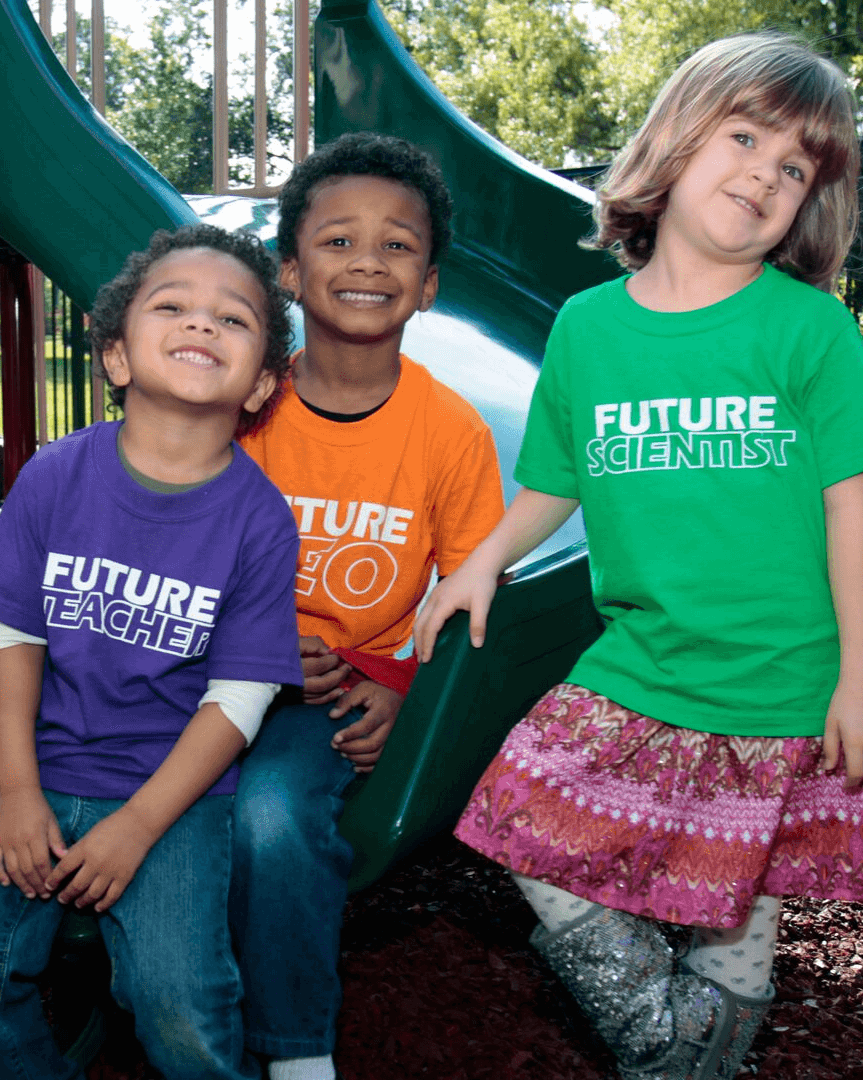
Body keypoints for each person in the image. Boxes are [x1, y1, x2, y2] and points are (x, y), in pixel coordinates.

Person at [416, 32, 863, 1080]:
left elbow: (850, 513)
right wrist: (481, 561)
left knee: (736, 911)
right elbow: (555, 481)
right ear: (677, 143)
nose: (766, 175)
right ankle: (667, 1040)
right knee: (516, 816)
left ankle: (689, 1063)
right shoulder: (591, 329)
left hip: (780, 685)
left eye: (795, 169)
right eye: (745, 137)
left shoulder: (807, 329)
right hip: (640, 664)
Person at [0, 225, 306, 1080]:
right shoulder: (55, 475)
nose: (201, 324)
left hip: (174, 793)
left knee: (179, 998)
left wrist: (138, 825)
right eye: (172, 307)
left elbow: (238, 700)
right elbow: (14, 638)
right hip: (38, 770)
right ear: (117, 358)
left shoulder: (261, 521)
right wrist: (14, 791)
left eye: (233, 320)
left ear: (263, 385)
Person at [231, 131, 505, 1080]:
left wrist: (401, 691)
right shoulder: (244, 410)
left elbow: (473, 598)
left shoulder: (450, 433)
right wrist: (253, 643)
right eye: (339, 241)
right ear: (291, 270)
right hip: (213, 675)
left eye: (397, 245)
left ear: (428, 284)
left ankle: (296, 1050)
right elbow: (175, 551)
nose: (367, 262)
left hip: (339, 695)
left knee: (270, 816)